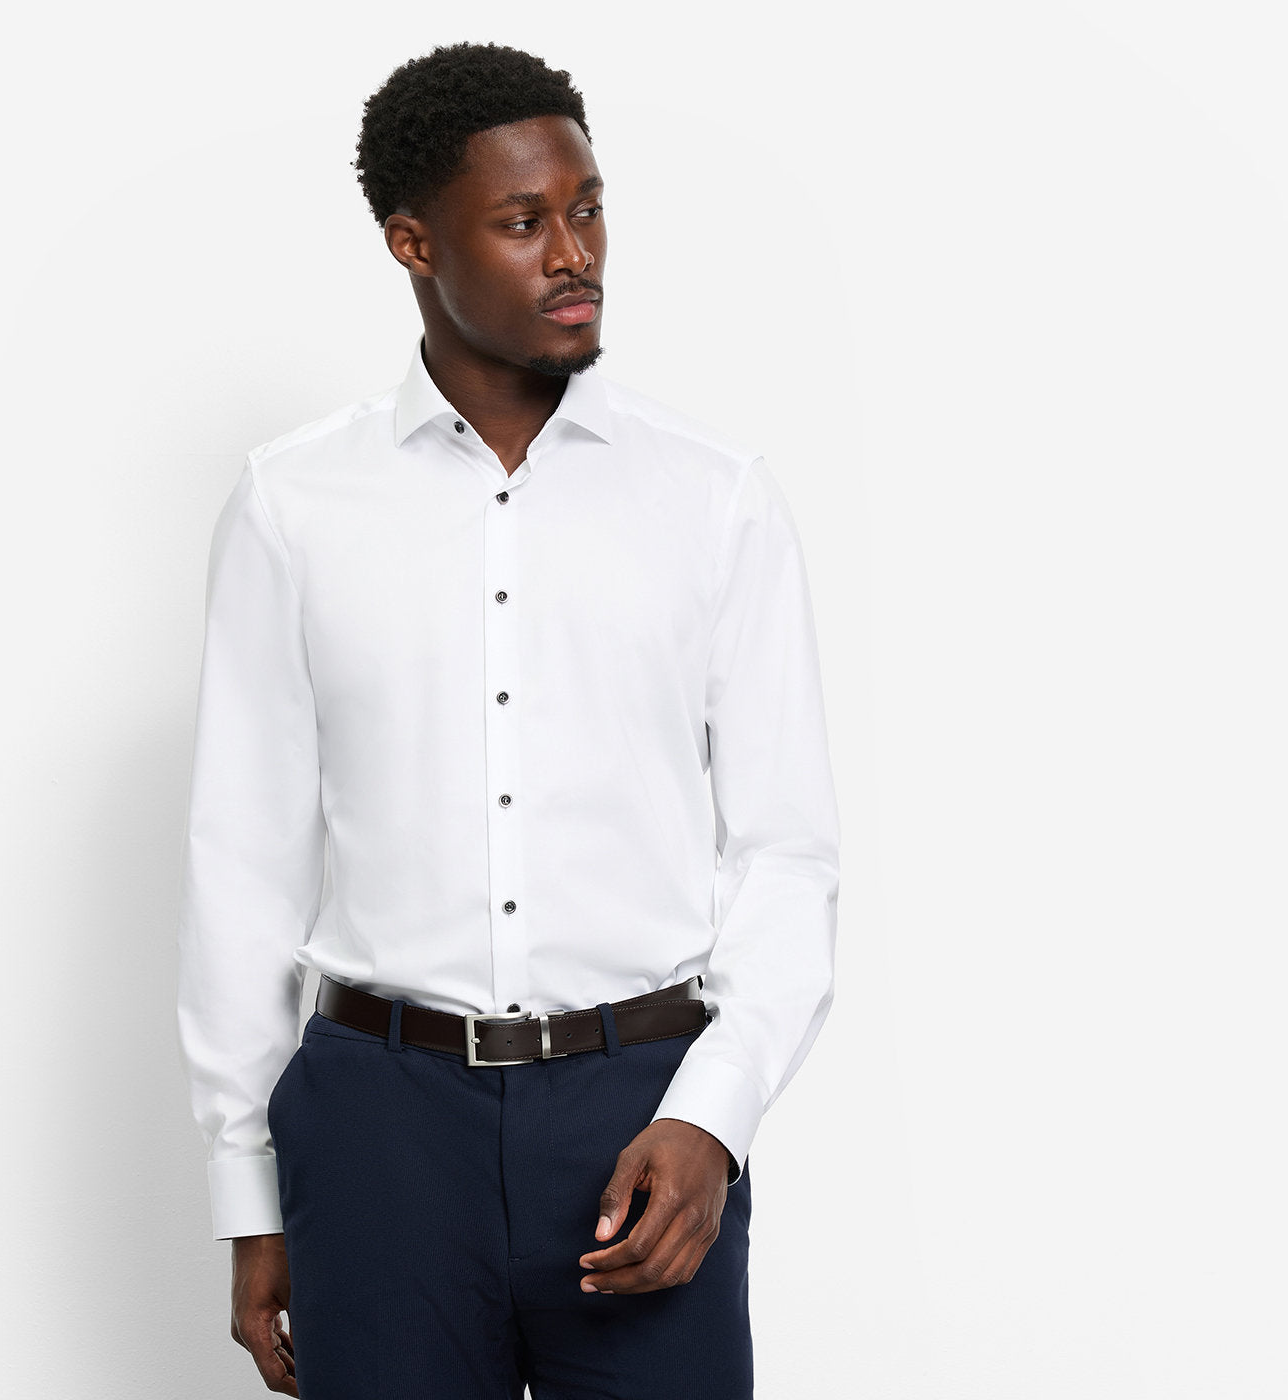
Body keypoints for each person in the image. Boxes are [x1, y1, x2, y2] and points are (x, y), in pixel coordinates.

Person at [177, 40, 840, 1400]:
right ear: (413, 242)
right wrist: (249, 1188)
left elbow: (786, 850)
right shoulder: (294, 506)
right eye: (524, 221)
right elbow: (244, 862)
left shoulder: (714, 499)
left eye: (587, 209)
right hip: (380, 1125)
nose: (574, 252)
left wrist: (713, 1118)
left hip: (641, 1115)